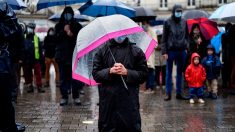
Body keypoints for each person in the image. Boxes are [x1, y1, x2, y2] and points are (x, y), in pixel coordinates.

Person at [92, 37, 148, 132]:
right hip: (108, 103)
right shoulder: (102, 51)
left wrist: (127, 72)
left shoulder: (136, 51)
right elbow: (96, 74)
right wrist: (109, 71)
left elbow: (143, 75)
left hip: (129, 102)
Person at [0, 1, 25, 131]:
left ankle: (8, 125)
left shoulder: (4, 7)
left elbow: (14, 31)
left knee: (5, 97)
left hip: (2, 63)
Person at [54, 6, 84, 106]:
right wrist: (64, 31)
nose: (68, 15)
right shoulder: (58, 26)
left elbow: (81, 40)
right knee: (63, 78)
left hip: (74, 56)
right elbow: (55, 40)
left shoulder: (77, 26)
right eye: (66, 13)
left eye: (69, 13)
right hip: (62, 56)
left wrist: (71, 33)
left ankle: (76, 96)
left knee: (75, 78)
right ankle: (64, 96)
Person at [161, 4, 189, 101]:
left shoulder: (184, 21)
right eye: (177, 11)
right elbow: (164, 38)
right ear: (173, 11)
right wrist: (164, 51)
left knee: (180, 73)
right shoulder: (167, 22)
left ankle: (179, 93)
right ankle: (168, 93)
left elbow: (187, 36)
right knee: (168, 72)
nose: (179, 13)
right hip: (171, 51)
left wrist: (186, 47)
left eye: (180, 11)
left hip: (181, 50)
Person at [23, 22, 45, 93]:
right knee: (28, 74)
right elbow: (21, 48)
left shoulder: (36, 38)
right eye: (29, 28)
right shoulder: (24, 37)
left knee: (38, 73)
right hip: (26, 59)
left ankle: (39, 86)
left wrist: (41, 59)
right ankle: (30, 86)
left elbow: (40, 49)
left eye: (32, 28)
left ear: (33, 29)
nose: (30, 29)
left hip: (36, 59)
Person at [142, 21, 156, 93]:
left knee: (151, 71)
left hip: (150, 55)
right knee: (146, 72)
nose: (144, 25)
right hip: (144, 55)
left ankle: (151, 87)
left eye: (144, 23)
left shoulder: (152, 32)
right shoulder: (143, 31)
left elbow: (155, 44)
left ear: (147, 24)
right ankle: (147, 87)